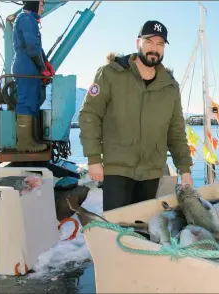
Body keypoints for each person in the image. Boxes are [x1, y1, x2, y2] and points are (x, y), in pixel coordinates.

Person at [79, 20, 193, 211]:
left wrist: (185, 169)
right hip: (117, 168)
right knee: (117, 227)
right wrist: (93, 159)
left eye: (160, 44)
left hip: (151, 172)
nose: (154, 49)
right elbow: (90, 115)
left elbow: (176, 132)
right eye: (149, 42)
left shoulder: (170, 87)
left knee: (142, 229)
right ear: (137, 42)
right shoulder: (111, 74)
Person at [12, 0, 55, 152]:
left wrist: (46, 63)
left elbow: (37, 47)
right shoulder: (26, 19)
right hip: (26, 66)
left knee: (32, 101)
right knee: (26, 102)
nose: (43, 7)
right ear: (34, 4)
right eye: (41, 4)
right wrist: (42, 67)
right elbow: (32, 46)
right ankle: (25, 143)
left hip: (29, 66)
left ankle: (31, 140)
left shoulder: (29, 19)